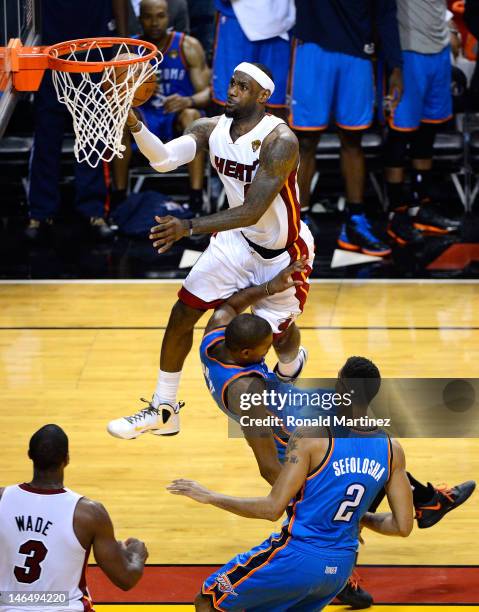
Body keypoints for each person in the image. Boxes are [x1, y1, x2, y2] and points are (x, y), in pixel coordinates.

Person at [197, 274, 477, 607]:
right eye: (264, 348)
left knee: (368, 441)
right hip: (290, 437)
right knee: (357, 464)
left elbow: (230, 304)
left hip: (292, 404)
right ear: (245, 352)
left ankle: (423, 501)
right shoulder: (249, 397)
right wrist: (306, 501)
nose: (269, 348)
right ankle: (403, 522)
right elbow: (269, 466)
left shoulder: (216, 330)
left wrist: (271, 290)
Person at [107, 62, 315, 440]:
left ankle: (291, 366)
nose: (232, 91)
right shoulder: (209, 129)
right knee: (183, 312)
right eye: (231, 83)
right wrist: (136, 126)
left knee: (275, 337)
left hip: (282, 252)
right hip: (235, 244)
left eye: (242, 86)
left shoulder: (280, 141)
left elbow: (253, 209)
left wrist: (188, 226)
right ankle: (164, 409)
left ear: (262, 96)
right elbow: (164, 160)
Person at [168, 357, 414, 611]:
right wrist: (361, 517)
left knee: (208, 600)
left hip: (296, 557)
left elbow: (272, 508)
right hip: (340, 569)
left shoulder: (311, 438)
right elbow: (402, 526)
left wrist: (210, 496)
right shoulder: (392, 449)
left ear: (340, 388)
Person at [290, 0, 403, 257]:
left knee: (353, 141)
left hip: (359, 53)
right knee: (306, 142)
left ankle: (355, 221)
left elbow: (385, 15)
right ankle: (297, 224)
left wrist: (395, 66)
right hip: (313, 46)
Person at [0, 425, 148, 611]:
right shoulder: (88, 513)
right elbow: (125, 579)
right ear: (66, 459)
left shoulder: (2, 499)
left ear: (29, 455)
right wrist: (137, 555)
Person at [25, 0, 129, 242]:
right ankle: (40, 213)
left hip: (95, 49)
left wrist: (123, 43)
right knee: (45, 137)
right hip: (49, 51)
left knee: (94, 136)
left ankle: (94, 212)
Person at [113, 0, 211, 214]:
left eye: (160, 16)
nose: (155, 22)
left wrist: (188, 101)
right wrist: (131, 94)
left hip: (176, 117)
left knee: (193, 116)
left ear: (169, 17)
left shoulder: (188, 46)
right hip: (144, 116)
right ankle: (118, 200)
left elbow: (209, 91)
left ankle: (195, 200)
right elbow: (112, 94)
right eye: (148, 17)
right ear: (139, 20)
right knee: (119, 121)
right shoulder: (129, 50)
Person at [385, 0, 462, 246]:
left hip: (439, 52)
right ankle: (396, 212)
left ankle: (421, 208)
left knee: (427, 132)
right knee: (399, 134)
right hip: (408, 51)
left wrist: (451, 28)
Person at [211, 0, 295, 118]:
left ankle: (271, 136)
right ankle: (226, 136)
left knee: (276, 99)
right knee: (230, 95)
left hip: (281, 17)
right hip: (237, 17)